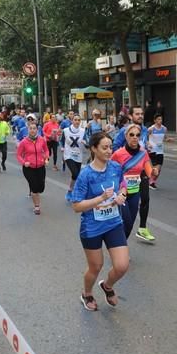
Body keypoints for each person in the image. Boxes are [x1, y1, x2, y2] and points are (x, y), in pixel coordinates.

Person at [71, 132, 129, 311]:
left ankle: (108, 286)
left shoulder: (115, 168)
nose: (109, 151)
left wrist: (121, 195)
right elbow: (77, 206)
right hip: (92, 227)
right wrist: (101, 198)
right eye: (104, 147)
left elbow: (123, 186)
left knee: (122, 266)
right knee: (95, 267)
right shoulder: (85, 174)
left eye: (110, 147)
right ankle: (86, 293)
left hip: (113, 223)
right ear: (94, 149)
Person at [112, 106, 156, 242]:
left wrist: (152, 170)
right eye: (137, 114)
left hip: (140, 171)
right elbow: (114, 148)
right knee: (125, 216)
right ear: (131, 116)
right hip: (124, 173)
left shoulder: (144, 130)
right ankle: (118, 243)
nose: (140, 116)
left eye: (142, 113)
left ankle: (141, 227)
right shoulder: (123, 132)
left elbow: (144, 149)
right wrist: (125, 158)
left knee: (145, 199)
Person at [16, 122, 49, 214]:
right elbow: (18, 155)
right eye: (31, 128)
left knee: (41, 188)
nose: (33, 130)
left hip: (40, 167)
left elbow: (46, 150)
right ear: (28, 130)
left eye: (34, 128)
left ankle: (35, 193)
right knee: (34, 187)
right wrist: (24, 162)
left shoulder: (42, 140)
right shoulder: (24, 142)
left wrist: (46, 158)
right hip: (29, 168)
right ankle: (37, 207)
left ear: (37, 130)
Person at [61, 114, 86, 201]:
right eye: (75, 120)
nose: (77, 122)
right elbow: (62, 141)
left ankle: (70, 190)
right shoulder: (66, 130)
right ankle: (76, 193)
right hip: (68, 155)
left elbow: (86, 142)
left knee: (75, 176)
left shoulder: (83, 131)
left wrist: (85, 142)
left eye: (79, 120)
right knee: (76, 173)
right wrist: (62, 147)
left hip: (78, 155)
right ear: (72, 121)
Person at [146, 114, 173, 189]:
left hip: (160, 150)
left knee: (159, 168)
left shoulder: (164, 128)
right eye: (158, 119)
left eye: (161, 119)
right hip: (153, 150)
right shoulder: (151, 129)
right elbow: (145, 137)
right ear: (154, 120)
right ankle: (151, 182)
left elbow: (165, 137)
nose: (160, 121)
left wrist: (168, 139)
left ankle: (152, 181)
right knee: (156, 168)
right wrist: (148, 144)